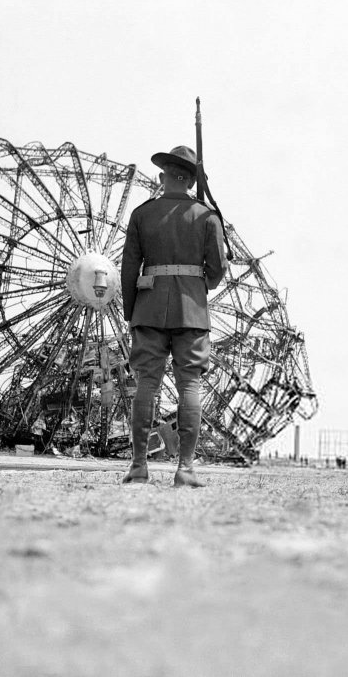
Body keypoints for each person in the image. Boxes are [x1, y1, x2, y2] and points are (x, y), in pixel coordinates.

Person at [119, 145, 227, 487]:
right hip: (191, 311)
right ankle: (185, 469)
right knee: (189, 386)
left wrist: (131, 310)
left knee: (147, 384)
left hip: (148, 308)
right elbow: (218, 268)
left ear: (163, 177)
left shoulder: (142, 214)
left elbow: (128, 269)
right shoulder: (207, 216)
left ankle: (138, 467)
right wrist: (199, 285)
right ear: (192, 182)